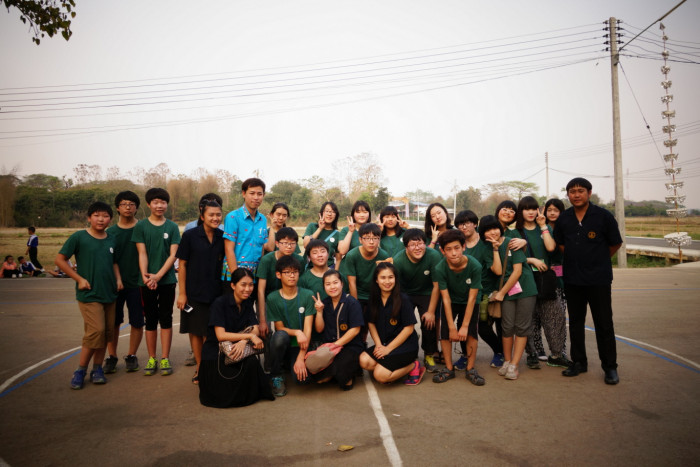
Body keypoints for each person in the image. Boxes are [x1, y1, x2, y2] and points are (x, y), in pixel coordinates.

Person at [553, 178, 622, 385]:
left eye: (580, 191)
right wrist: (578, 260)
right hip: (573, 279)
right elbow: (562, 245)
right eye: (572, 191)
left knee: (604, 323)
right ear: (568, 195)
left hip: (598, 279)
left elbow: (615, 243)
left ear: (589, 193)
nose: (576, 194)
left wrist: (596, 260)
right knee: (575, 323)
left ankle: (610, 367)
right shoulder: (564, 218)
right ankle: (579, 362)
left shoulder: (603, 216)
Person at [55, 201, 121, 389]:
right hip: (89, 294)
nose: (101, 219)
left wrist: (118, 279)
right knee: (96, 331)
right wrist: (79, 279)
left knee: (106, 334)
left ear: (110, 218)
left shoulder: (111, 239)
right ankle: (80, 370)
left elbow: (114, 262)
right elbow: (60, 260)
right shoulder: (79, 237)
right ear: (89, 218)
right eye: (97, 215)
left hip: (109, 293)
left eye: (105, 216)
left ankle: (97, 369)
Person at [198, 268, 275, 408]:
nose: (248, 289)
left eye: (251, 285)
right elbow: (220, 336)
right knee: (224, 392)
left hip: (237, 348)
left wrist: (243, 341)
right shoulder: (219, 303)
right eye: (243, 284)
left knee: (251, 362)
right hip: (216, 353)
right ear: (233, 285)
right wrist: (250, 336)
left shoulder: (247, 302)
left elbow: (256, 327)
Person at [514, 196, 570, 369]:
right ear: (520, 211)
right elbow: (510, 257)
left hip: (546, 280)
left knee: (555, 317)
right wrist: (531, 260)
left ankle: (556, 354)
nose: (530, 212)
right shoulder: (515, 231)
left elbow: (551, 248)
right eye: (526, 209)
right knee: (528, 320)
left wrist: (543, 225)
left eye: (534, 208)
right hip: (526, 280)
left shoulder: (544, 229)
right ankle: (532, 354)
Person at [481, 215, 537, 381]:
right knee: (506, 327)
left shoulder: (513, 241)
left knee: (521, 327)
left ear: (500, 228)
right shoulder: (487, 249)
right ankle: (506, 361)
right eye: (488, 230)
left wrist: (502, 293)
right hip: (506, 291)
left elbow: (518, 271)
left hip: (524, 289)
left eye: (495, 228)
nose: (492, 232)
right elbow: (498, 271)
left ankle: (514, 364)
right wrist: (496, 249)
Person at [132, 187, 181, 376]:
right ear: (148, 204)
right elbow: (142, 253)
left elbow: (173, 254)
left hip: (167, 280)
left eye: (163, 202)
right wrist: (146, 276)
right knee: (150, 320)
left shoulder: (172, 227)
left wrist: (159, 276)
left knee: (166, 318)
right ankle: (152, 357)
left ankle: (165, 357)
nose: (159, 206)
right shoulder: (141, 226)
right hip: (146, 281)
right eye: (155, 202)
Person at [176, 200, 225, 384]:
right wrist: (182, 293)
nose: (215, 218)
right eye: (211, 215)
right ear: (202, 216)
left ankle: (211, 366)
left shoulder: (223, 236)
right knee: (196, 331)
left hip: (217, 292)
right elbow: (182, 264)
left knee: (210, 333)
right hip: (194, 292)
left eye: (218, 215)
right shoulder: (190, 236)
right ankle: (200, 368)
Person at [431, 229, 484, 385]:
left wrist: (465, 326)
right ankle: (449, 368)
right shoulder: (440, 268)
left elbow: (473, 297)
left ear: (463, 247)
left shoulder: (475, 266)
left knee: (471, 334)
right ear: (442, 251)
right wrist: (452, 327)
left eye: (457, 248)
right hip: (451, 301)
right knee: (446, 333)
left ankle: (470, 368)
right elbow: (445, 298)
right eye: (448, 249)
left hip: (470, 301)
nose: (453, 253)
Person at [454, 210, 504, 370]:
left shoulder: (485, 244)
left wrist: (495, 249)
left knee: (483, 328)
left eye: (467, 222)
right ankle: (464, 355)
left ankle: (499, 352)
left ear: (475, 224)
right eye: (460, 224)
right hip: (463, 293)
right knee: (462, 325)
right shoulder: (458, 245)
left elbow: (497, 271)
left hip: (482, 293)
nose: (464, 226)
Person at [359, 263, 423, 385]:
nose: (387, 281)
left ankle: (413, 366)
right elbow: (371, 323)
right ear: (376, 280)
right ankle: (387, 366)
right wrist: (378, 346)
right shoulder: (373, 299)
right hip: (384, 343)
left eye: (390, 277)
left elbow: (409, 329)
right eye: (383, 278)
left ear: (395, 279)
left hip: (405, 346)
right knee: (364, 361)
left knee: (380, 376)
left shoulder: (403, 299)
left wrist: (388, 349)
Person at [104, 191, 144, 374]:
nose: (128, 207)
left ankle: (131, 355)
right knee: (113, 322)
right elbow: (110, 259)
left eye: (131, 204)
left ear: (137, 207)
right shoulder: (110, 232)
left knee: (137, 321)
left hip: (138, 283)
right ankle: (111, 357)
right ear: (117, 207)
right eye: (124, 204)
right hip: (115, 285)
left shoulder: (143, 227)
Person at [392, 228, 442, 372]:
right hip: (405, 293)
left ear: (425, 244)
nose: (417, 248)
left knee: (429, 322)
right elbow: (396, 288)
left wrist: (431, 312)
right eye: (412, 245)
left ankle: (429, 354)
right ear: (406, 247)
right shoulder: (398, 260)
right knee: (403, 322)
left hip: (427, 292)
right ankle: (407, 350)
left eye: (420, 244)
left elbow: (436, 286)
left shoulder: (433, 256)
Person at [266, 255, 316, 397]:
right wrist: (296, 332)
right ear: (278, 275)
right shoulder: (273, 298)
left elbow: (308, 330)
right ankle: (276, 375)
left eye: (295, 272)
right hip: (286, 340)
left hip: (301, 345)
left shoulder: (307, 295)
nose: (292, 276)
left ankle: (290, 363)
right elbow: (279, 328)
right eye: (287, 272)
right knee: (279, 336)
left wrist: (301, 358)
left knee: (302, 380)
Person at [222, 178, 268, 332]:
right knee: (232, 316)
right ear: (243, 194)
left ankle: (247, 352)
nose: (256, 197)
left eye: (259, 194)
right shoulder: (233, 217)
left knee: (248, 316)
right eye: (252, 193)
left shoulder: (263, 220)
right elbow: (229, 249)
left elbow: (261, 247)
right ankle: (230, 354)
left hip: (253, 274)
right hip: (234, 275)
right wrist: (237, 278)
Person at [310, 269, 364, 390]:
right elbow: (319, 330)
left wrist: (335, 345)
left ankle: (350, 370)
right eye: (328, 284)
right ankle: (340, 370)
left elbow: (355, 330)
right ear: (324, 287)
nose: (332, 287)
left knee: (344, 383)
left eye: (335, 282)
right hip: (330, 347)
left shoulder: (352, 302)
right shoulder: (325, 303)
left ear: (342, 284)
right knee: (319, 379)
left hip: (350, 347)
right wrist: (319, 312)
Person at [339, 223, 390, 341]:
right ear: (360, 239)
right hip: (358, 294)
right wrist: (355, 305)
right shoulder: (352, 255)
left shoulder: (384, 255)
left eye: (375, 238)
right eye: (367, 238)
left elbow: (384, 280)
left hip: (375, 294)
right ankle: (359, 345)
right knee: (358, 323)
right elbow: (352, 283)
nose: (371, 242)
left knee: (374, 323)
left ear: (379, 239)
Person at [545, 198, 569, 362]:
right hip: (544, 275)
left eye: (556, 210)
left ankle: (561, 350)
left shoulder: (566, 228)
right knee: (539, 317)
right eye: (549, 210)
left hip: (563, 276)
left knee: (560, 315)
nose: (552, 213)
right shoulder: (541, 229)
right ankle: (538, 351)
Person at [303, 201, 341, 267]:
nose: (329, 214)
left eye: (333, 212)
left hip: (328, 269)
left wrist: (335, 274)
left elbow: (338, 258)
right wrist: (320, 229)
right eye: (327, 211)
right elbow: (306, 245)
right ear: (321, 213)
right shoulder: (312, 226)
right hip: (310, 268)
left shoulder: (337, 234)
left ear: (336, 215)